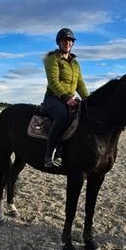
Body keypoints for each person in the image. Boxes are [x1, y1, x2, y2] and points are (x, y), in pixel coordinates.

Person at [42, 28, 89, 167]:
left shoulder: (75, 63)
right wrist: (65, 97)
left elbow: (80, 83)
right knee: (62, 116)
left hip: (69, 99)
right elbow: (53, 81)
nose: (68, 42)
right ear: (59, 42)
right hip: (53, 98)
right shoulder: (52, 58)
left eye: (70, 40)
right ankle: (50, 154)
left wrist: (88, 99)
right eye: (65, 40)